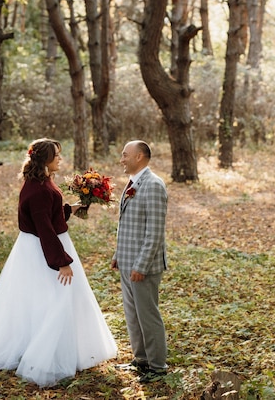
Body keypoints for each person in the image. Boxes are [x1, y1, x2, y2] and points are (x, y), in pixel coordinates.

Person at [0, 138, 117, 388]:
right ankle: (44, 354)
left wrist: (70, 209)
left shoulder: (40, 183)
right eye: (57, 155)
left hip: (40, 245)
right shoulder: (39, 189)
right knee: (53, 299)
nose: (60, 159)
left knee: (47, 299)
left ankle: (57, 347)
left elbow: (48, 217)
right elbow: (45, 229)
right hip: (42, 251)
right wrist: (61, 262)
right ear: (45, 159)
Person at [111, 140, 168, 383]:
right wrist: (118, 254)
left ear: (140, 157)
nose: (122, 159)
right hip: (127, 261)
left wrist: (141, 265)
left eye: (125, 155)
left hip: (142, 267)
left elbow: (155, 232)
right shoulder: (132, 183)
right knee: (133, 315)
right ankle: (141, 360)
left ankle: (157, 367)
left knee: (148, 315)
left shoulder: (153, 185)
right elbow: (127, 224)